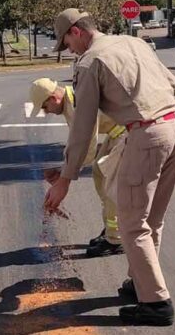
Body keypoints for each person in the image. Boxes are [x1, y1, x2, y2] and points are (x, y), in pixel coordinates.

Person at [44, 8, 175, 326]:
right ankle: (141, 284)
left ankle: (156, 304)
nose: (68, 49)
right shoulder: (131, 41)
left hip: (147, 136)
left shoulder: (89, 62)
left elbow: (83, 129)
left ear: (76, 31)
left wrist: (65, 179)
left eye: (66, 42)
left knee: (131, 224)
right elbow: (173, 84)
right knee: (152, 219)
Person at [30, 77, 125, 256]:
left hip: (125, 134)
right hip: (117, 133)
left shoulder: (75, 105)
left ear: (53, 98)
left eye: (44, 107)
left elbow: (86, 146)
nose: (46, 112)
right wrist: (63, 170)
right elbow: (76, 143)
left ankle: (116, 239)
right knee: (100, 174)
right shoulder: (71, 101)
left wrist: (65, 177)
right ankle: (112, 229)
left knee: (108, 184)